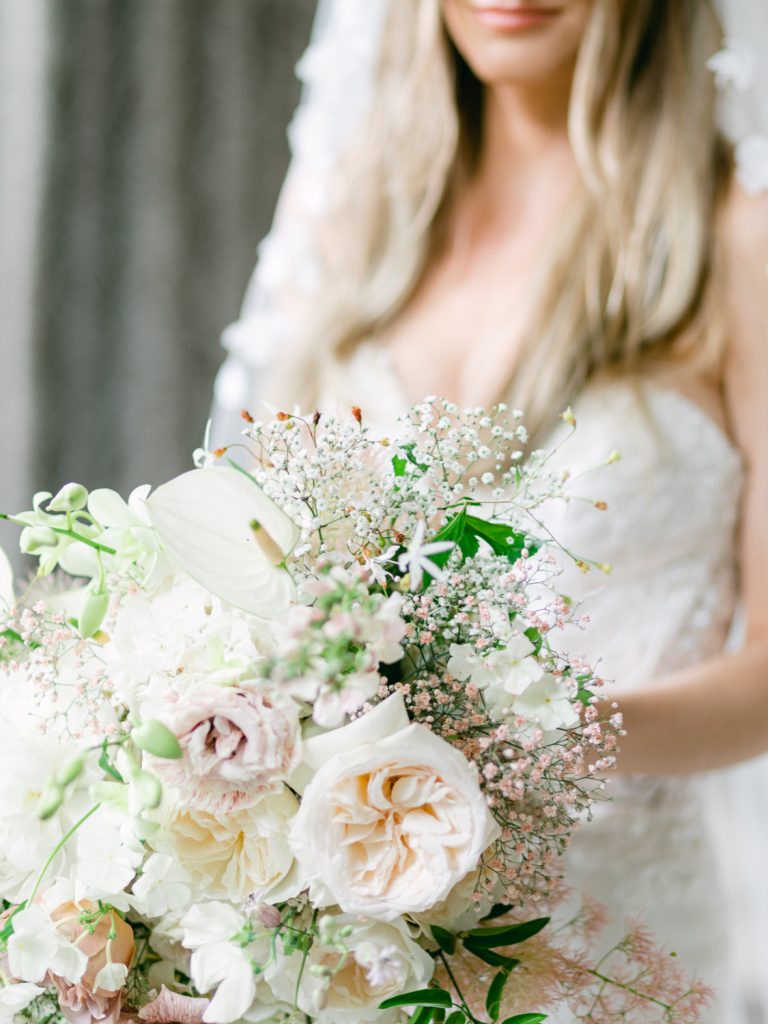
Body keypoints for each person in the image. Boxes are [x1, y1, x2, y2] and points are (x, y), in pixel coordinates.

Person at [212, 1, 768, 1019]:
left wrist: (550, 733)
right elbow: (246, 575)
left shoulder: (736, 239)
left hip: (608, 947)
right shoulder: (356, 227)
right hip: (345, 950)